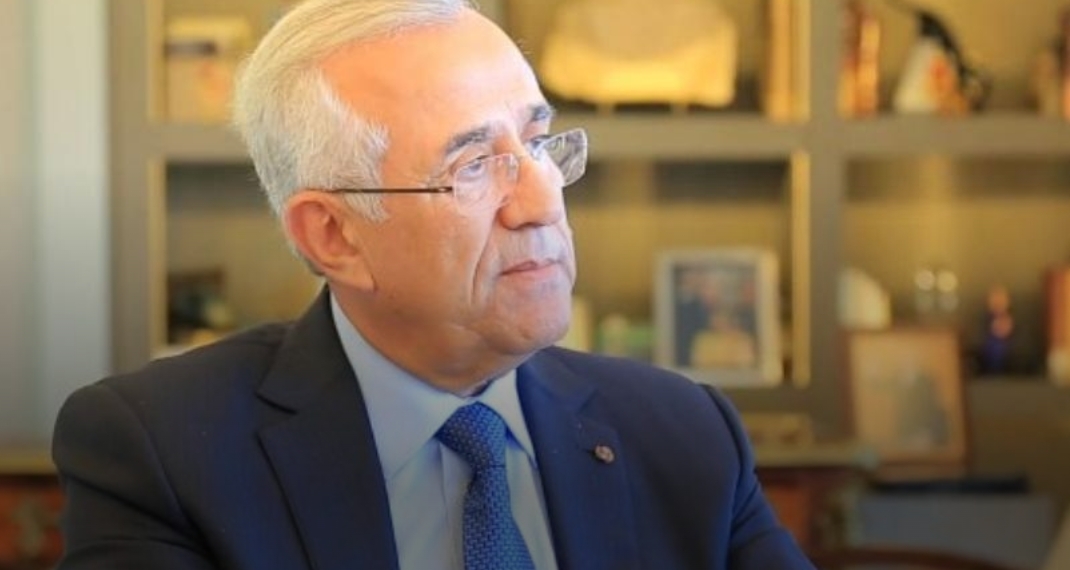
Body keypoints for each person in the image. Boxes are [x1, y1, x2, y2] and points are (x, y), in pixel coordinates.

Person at [50, 0, 815, 568]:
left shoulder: (683, 433)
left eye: (538, 143)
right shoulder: (163, 454)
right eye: (473, 165)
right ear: (334, 235)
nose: (543, 200)